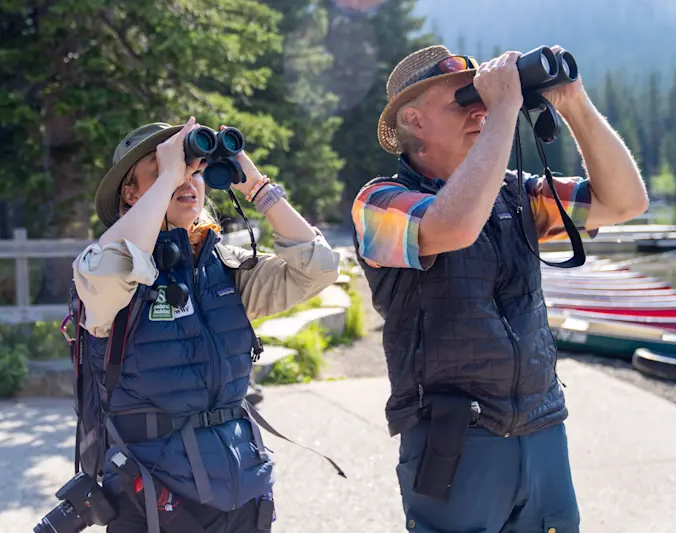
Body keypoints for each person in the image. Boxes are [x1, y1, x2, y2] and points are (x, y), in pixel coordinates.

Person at [352, 45, 648, 533]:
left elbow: (624, 201)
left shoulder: (518, 195)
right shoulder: (380, 203)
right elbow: (457, 225)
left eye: (483, 98)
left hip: (541, 425)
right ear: (414, 120)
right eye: (463, 100)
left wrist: (573, 101)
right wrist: (504, 109)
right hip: (455, 439)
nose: (481, 108)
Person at [72, 117, 341, 532]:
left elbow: (318, 268)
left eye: (196, 171)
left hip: (241, 485)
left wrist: (255, 186)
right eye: (167, 169)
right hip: (152, 497)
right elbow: (114, 268)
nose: (188, 179)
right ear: (131, 190)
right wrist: (168, 180)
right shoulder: (104, 272)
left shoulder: (223, 267)